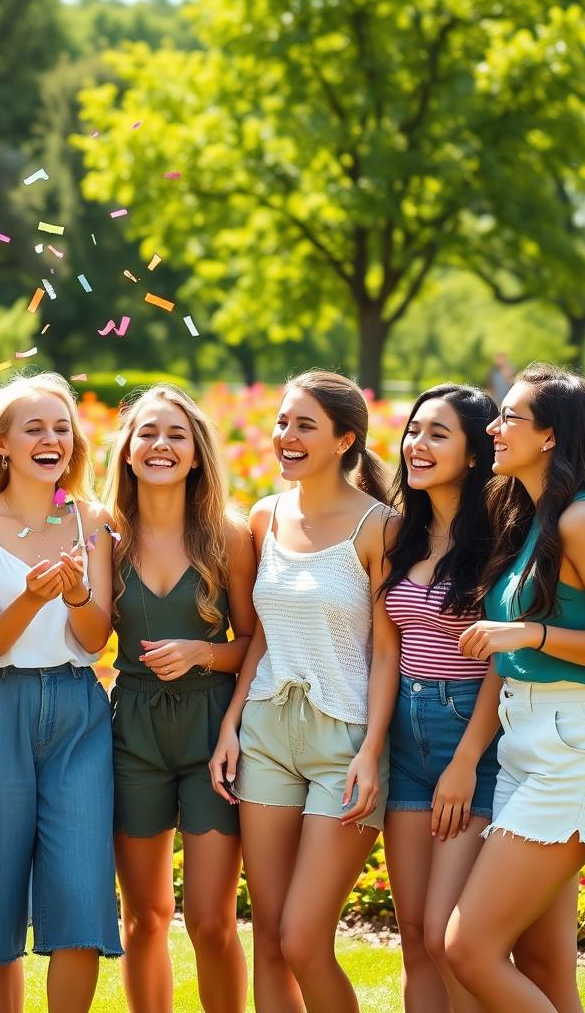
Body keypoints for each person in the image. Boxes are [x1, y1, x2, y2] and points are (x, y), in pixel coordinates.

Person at [446, 364, 585, 1013]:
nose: (493, 429)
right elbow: (508, 642)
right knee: (546, 967)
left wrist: (531, 635)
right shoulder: (529, 515)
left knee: (467, 950)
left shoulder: (581, 521)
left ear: (550, 436)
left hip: (577, 749)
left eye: (509, 418)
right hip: (528, 746)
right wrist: (469, 755)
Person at [210, 370, 398, 1013]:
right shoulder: (265, 516)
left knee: (303, 938)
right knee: (267, 935)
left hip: (342, 738)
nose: (284, 436)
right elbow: (261, 634)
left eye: (304, 425)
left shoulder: (380, 527)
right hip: (264, 731)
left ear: (346, 439)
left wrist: (372, 751)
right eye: (282, 422)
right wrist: (231, 725)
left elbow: (386, 650)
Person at [0, 372, 122, 1013]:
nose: (53, 440)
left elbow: (96, 638)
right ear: (3, 445)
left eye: (62, 428)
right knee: (1, 897)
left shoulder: (92, 521)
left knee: (79, 889)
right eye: (35, 428)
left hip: (78, 711)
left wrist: (75, 595)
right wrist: (31, 597)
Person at [102, 385, 256, 1013]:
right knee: (144, 917)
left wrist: (202, 653)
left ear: (196, 454)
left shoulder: (229, 537)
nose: (161, 445)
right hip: (132, 728)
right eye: (147, 433)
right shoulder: (103, 537)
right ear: (128, 451)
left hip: (211, 728)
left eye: (176, 435)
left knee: (211, 922)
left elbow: (254, 641)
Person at [378, 384, 501, 1013]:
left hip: (468, 737)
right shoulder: (404, 533)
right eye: (413, 431)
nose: (415, 446)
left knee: (444, 934)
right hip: (404, 738)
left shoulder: (501, 539)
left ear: (476, 453)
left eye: (437, 434)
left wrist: (465, 761)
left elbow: (503, 666)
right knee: (413, 942)